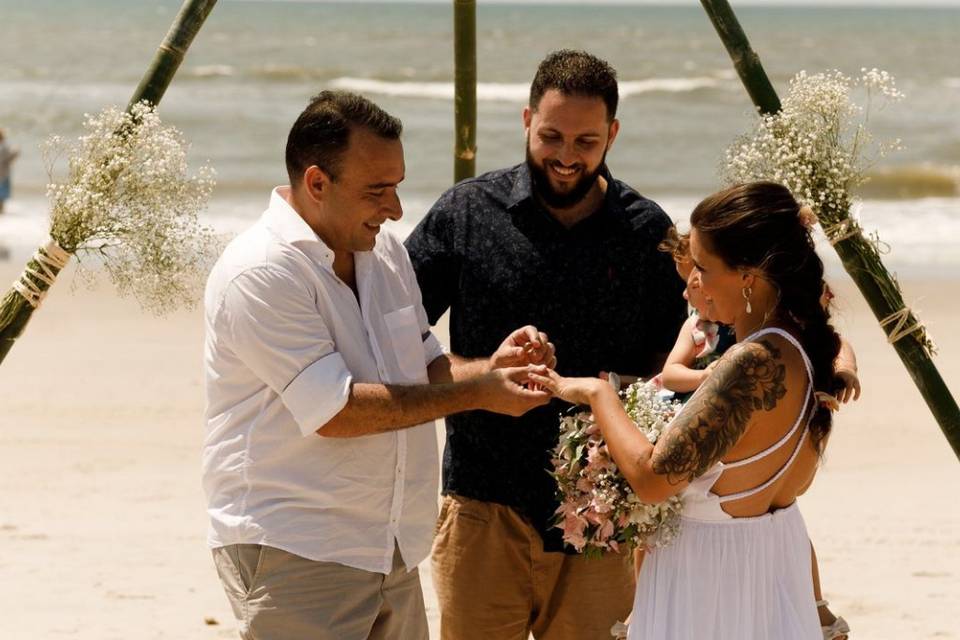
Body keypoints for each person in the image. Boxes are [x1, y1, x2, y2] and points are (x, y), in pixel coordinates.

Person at [202, 90, 556, 640]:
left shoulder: (386, 253)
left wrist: (491, 371)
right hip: (295, 549)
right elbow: (336, 410)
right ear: (317, 183)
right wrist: (478, 395)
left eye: (397, 187)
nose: (394, 209)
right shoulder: (262, 272)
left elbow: (425, 368)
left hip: (389, 546)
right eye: (377, 191)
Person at [405, 50, 686, 639]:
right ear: (527, 119)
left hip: (605, 519)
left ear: (612, 133)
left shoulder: (646, 232)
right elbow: (396, 337)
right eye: (551, 135)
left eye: (586, 141)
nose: (565, 156)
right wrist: (484, 376)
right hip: (483, 501)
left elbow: (672, 370)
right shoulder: (465, 213)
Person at [529, 181, 848, 639]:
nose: (692, 282)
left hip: (709, 585)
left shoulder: (751, 362)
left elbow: (653, 480)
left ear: (747, 275)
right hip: (764, 567)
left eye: (702, 266)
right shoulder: (798, 345)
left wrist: (600, 397)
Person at [0, 129, 20, 215]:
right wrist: (17, 150)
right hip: (3, 173)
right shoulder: (4, 146)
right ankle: (1, 211)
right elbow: (10, 157)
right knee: (2, 195)